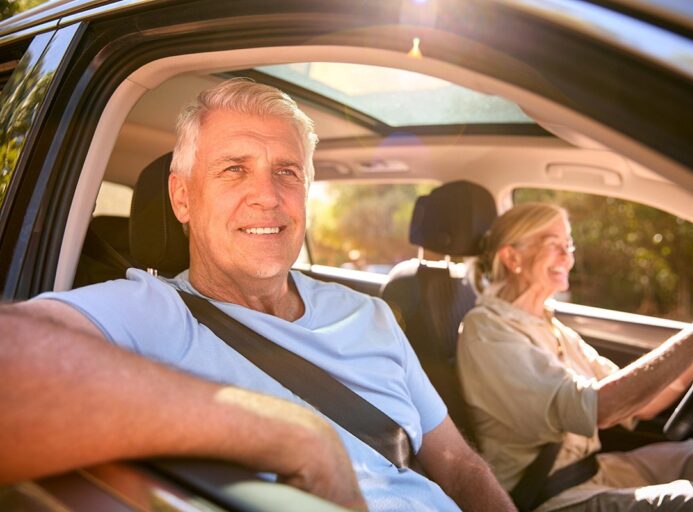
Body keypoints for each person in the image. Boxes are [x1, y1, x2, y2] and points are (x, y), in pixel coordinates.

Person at [0, 78, 516, 512]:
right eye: (234, 169)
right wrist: (297, 437)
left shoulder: (372, 314)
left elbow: (455, 462)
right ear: (182, 198)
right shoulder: (148, 312)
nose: (267, 196)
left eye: (287, 172)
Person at [456, 202, 693, 511]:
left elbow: (639, 404)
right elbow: (602, 407)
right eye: (554, 245)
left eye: (569, 244)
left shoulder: (551, 326)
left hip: (593, 470)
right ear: (512, 257)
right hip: (547, 496)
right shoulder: (487, 330)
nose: (568, 256)